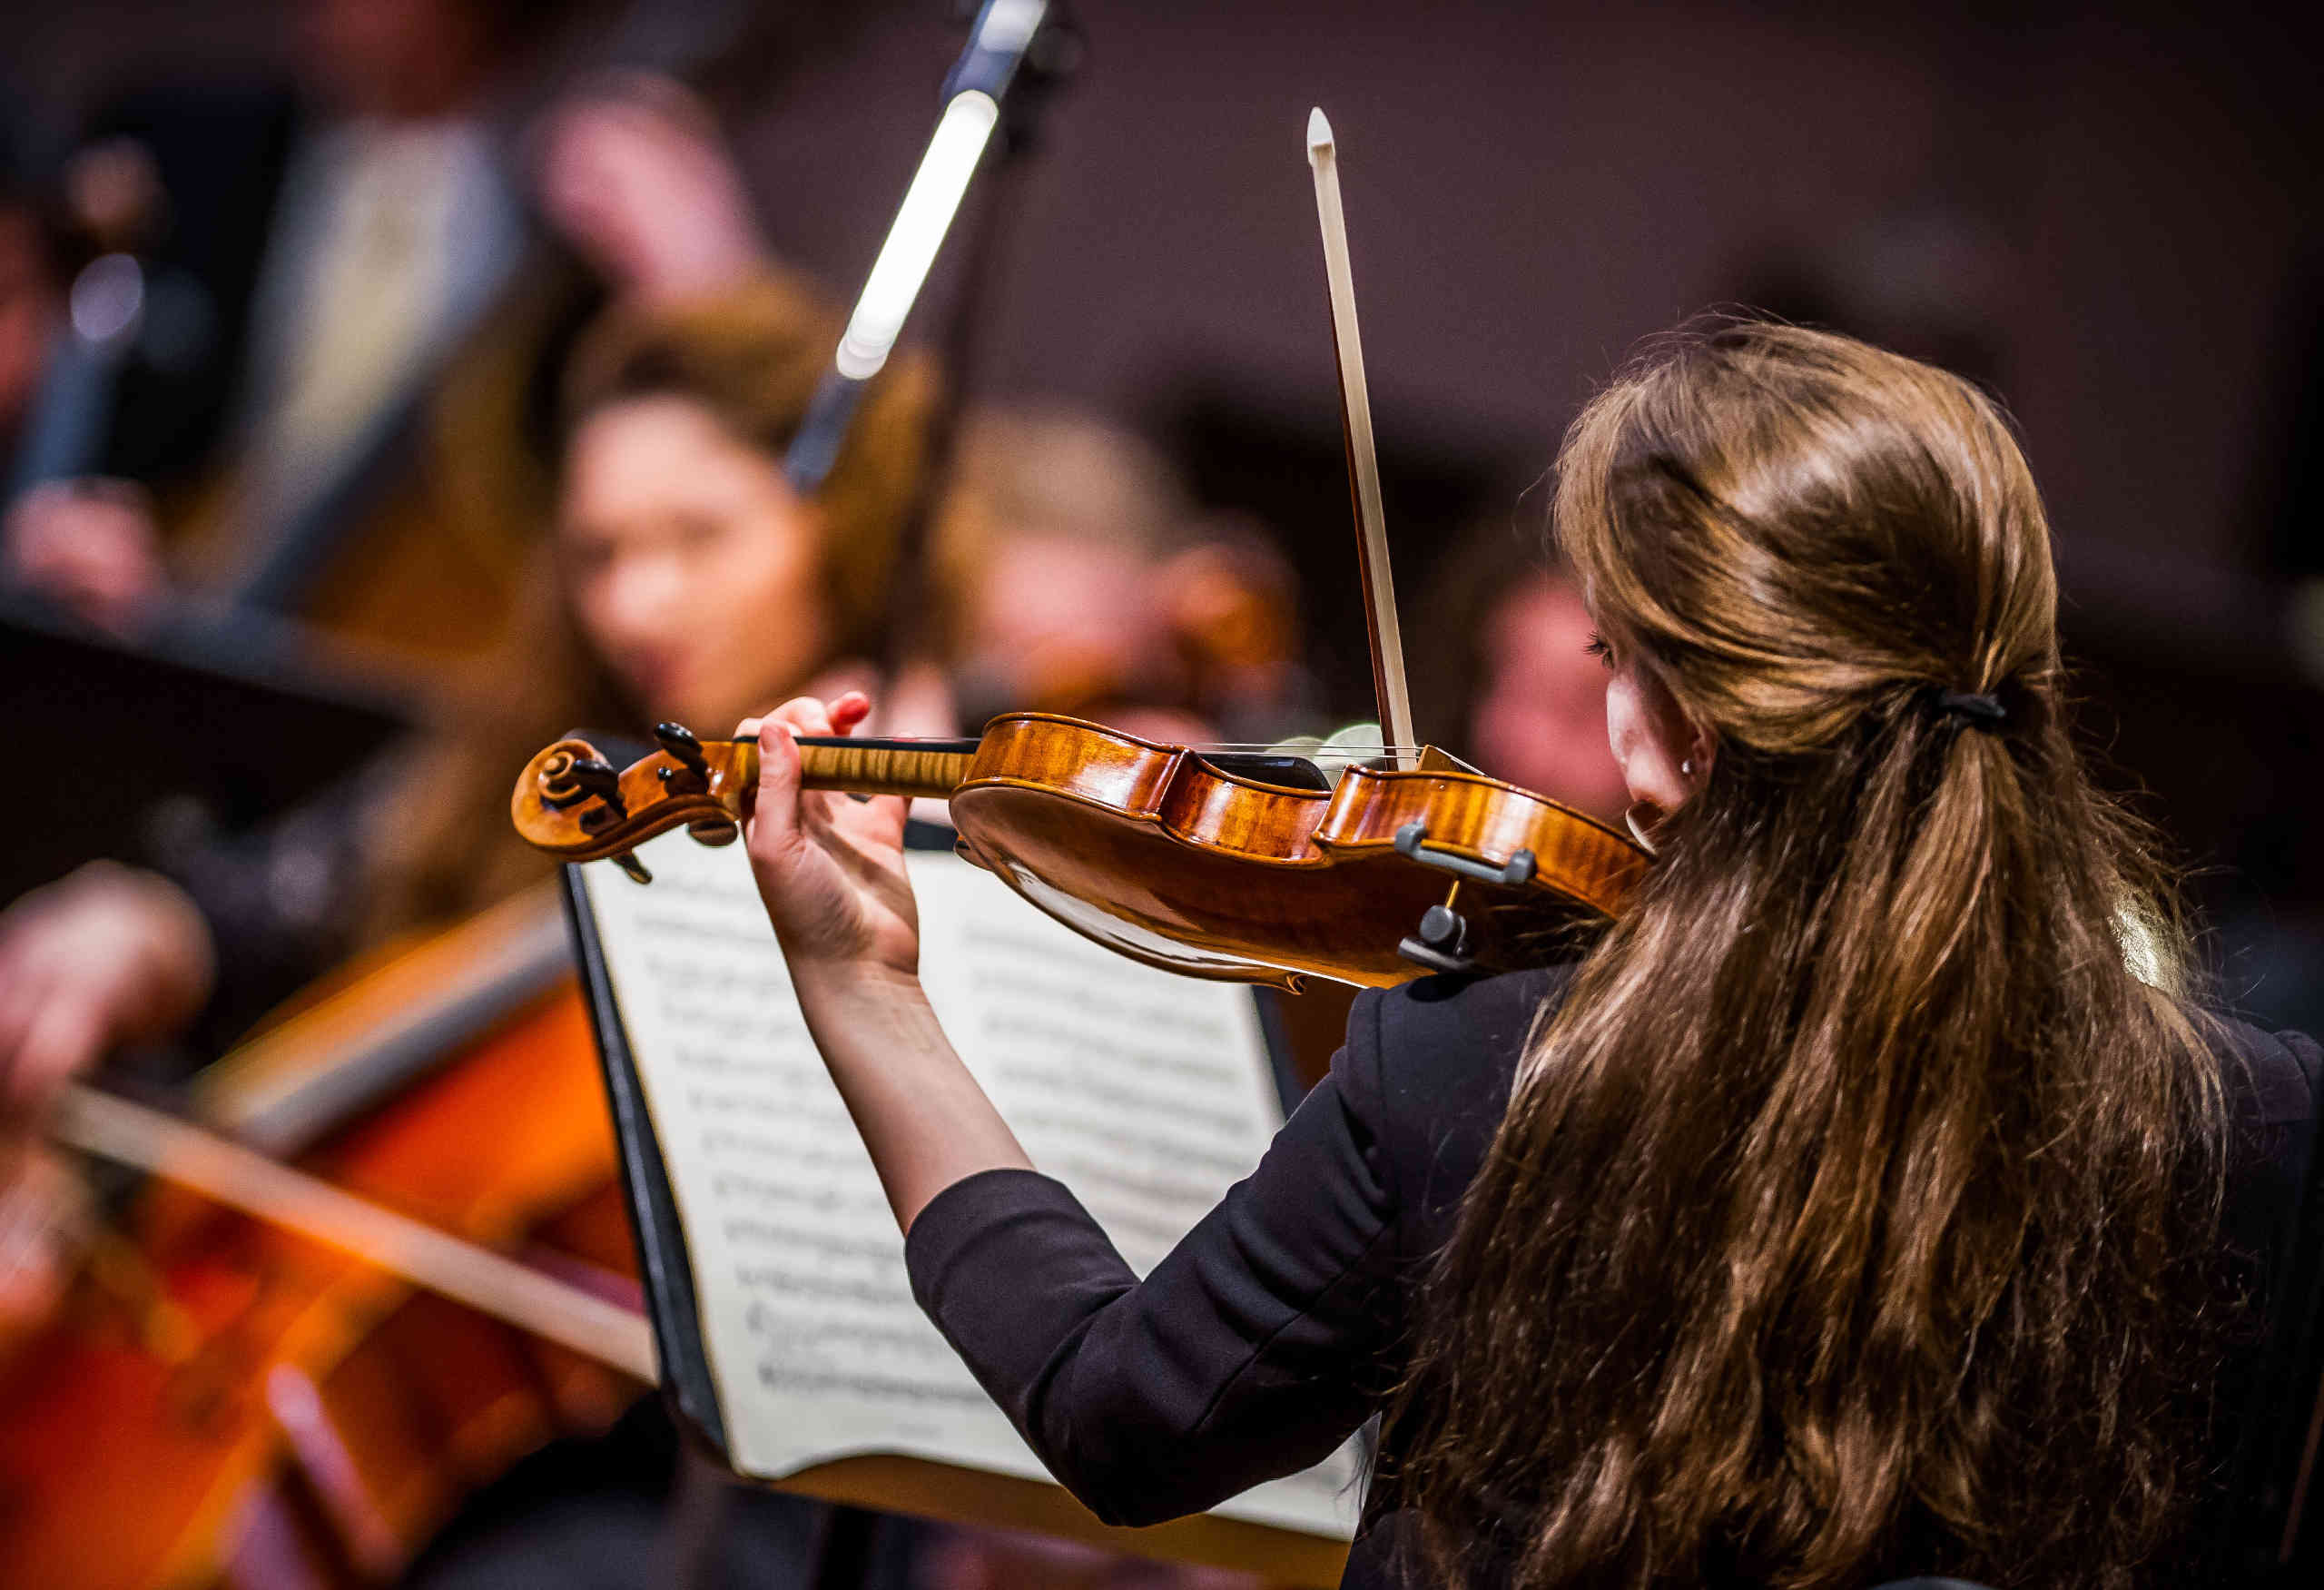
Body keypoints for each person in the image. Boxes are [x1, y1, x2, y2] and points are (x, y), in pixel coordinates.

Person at [729, 322, 2318, 1589]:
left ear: (1677, 733)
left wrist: (865, 983)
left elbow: (1124, 1417)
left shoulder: (1490, 1063)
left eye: (1613, 655)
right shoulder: (2269, 1126)